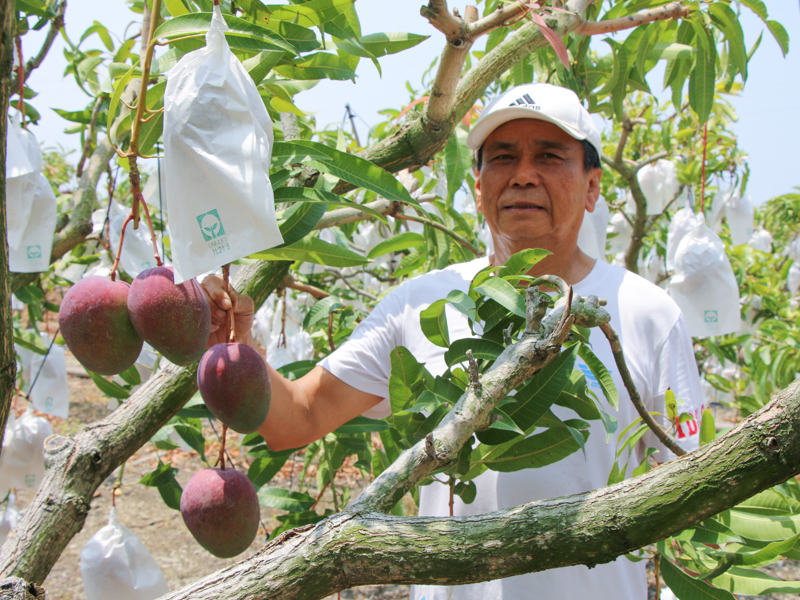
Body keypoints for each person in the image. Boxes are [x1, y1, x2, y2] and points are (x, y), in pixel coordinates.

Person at [203, 82, 704, 600]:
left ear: (593, 185)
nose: (524, 174)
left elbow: (694, 493)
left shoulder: (646, 314)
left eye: (550, 157)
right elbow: (298, 416)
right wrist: (233, 352)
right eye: (503, 158)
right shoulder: (420, 304)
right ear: (479, 186)